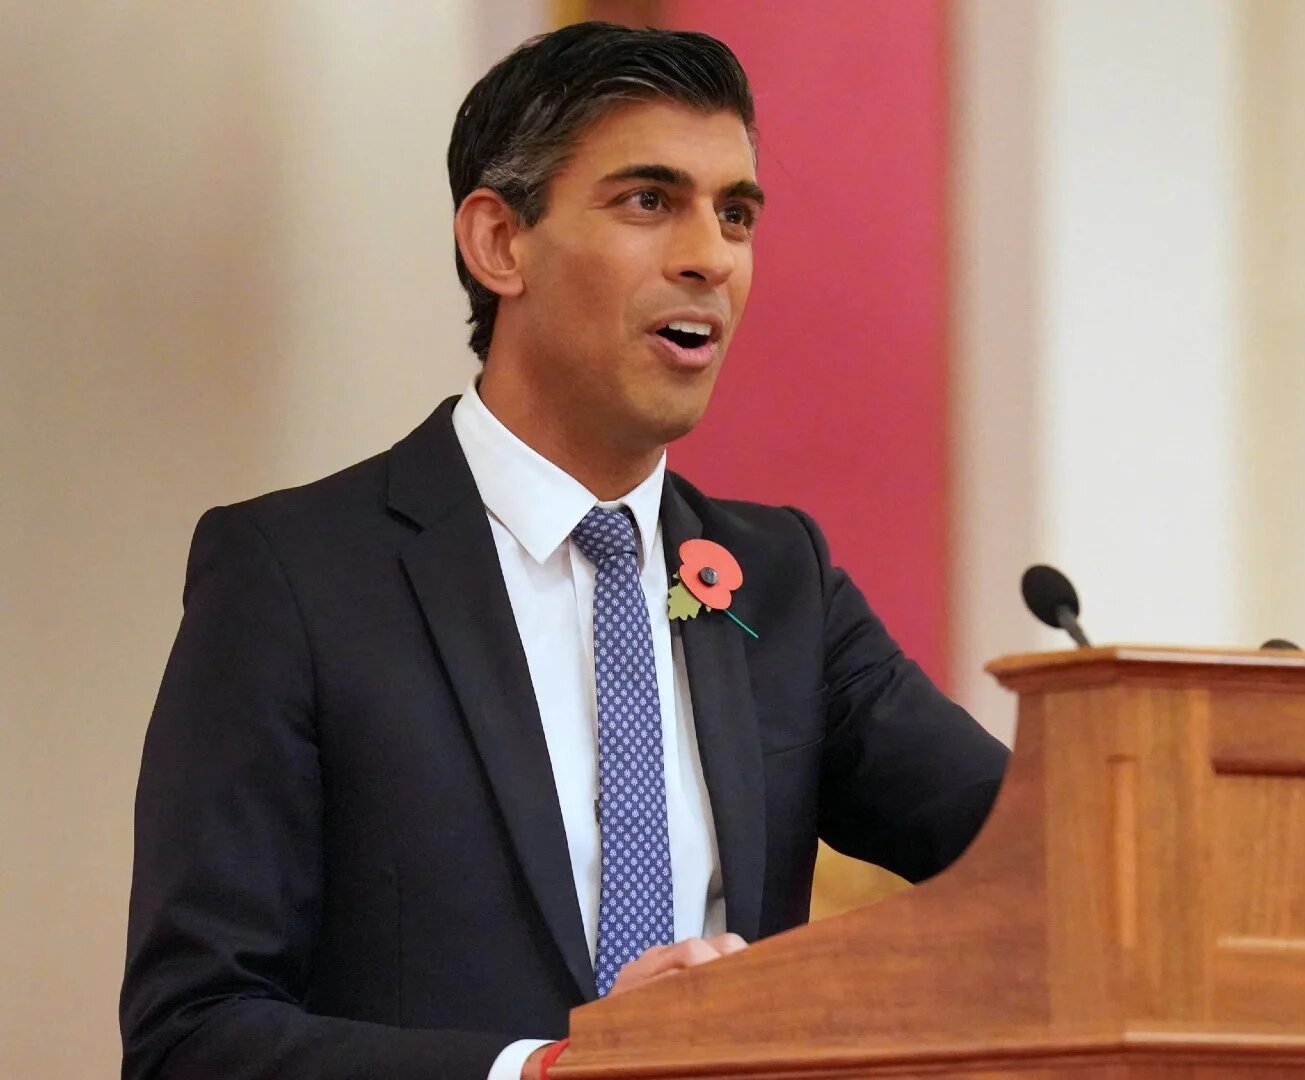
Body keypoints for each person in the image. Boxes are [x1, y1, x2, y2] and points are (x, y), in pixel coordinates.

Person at [119, 23, 1008, 1080]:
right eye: (649, 201)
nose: (710, 256)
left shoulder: (781, 584)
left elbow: (1031, 857)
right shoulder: (293, 578)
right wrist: (543, 1073)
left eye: (736, 214)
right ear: (499, 243)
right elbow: (193, 1037)